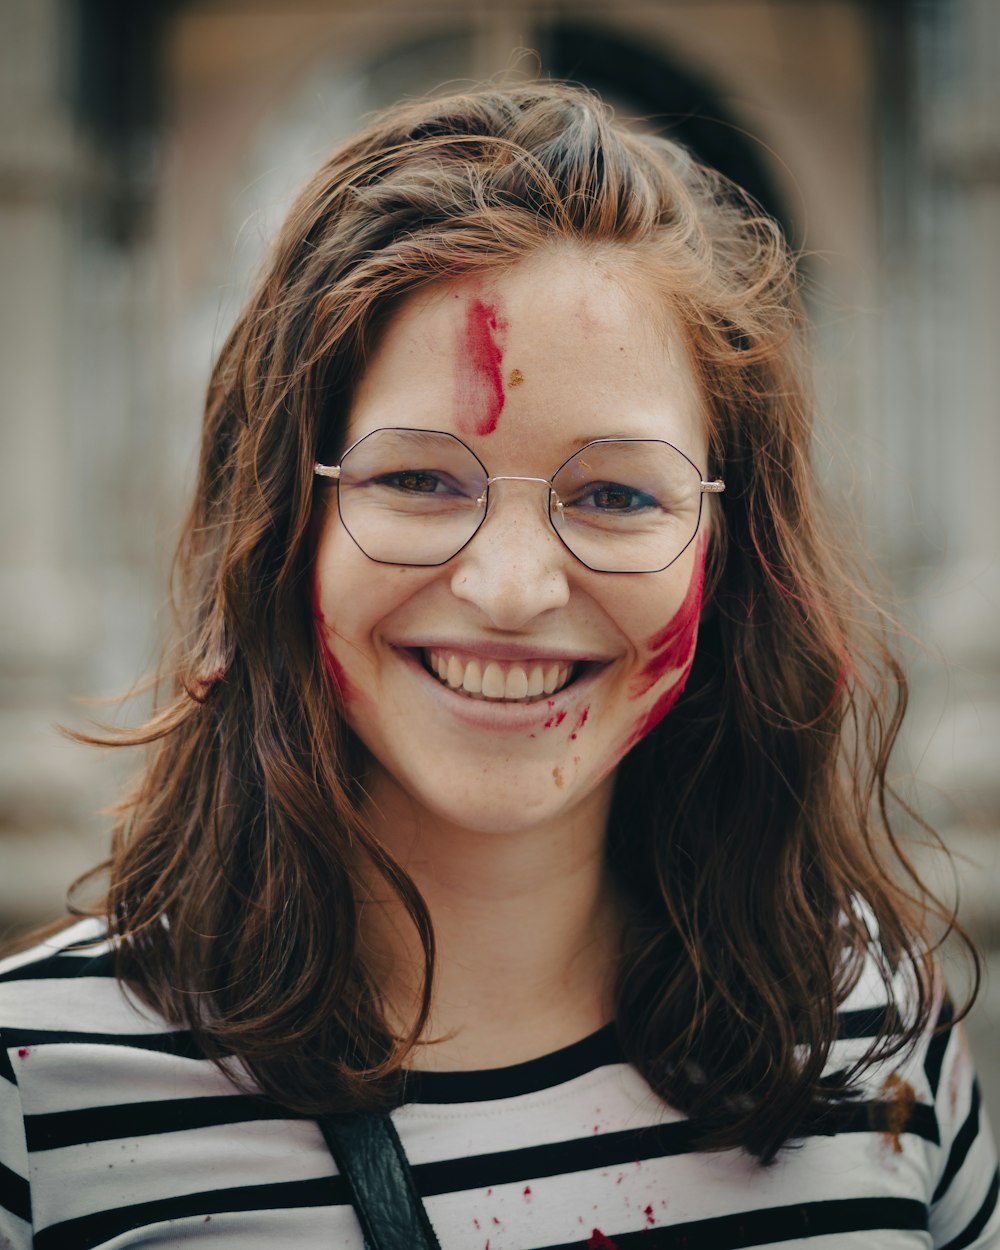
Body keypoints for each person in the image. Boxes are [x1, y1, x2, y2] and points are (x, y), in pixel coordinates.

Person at [1, 81, 997, 1250]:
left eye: (617, 493)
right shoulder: (44, 1089)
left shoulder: (871, 1037)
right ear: (283, 524)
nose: (513, 588)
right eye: (417, 478)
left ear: (729, 556)